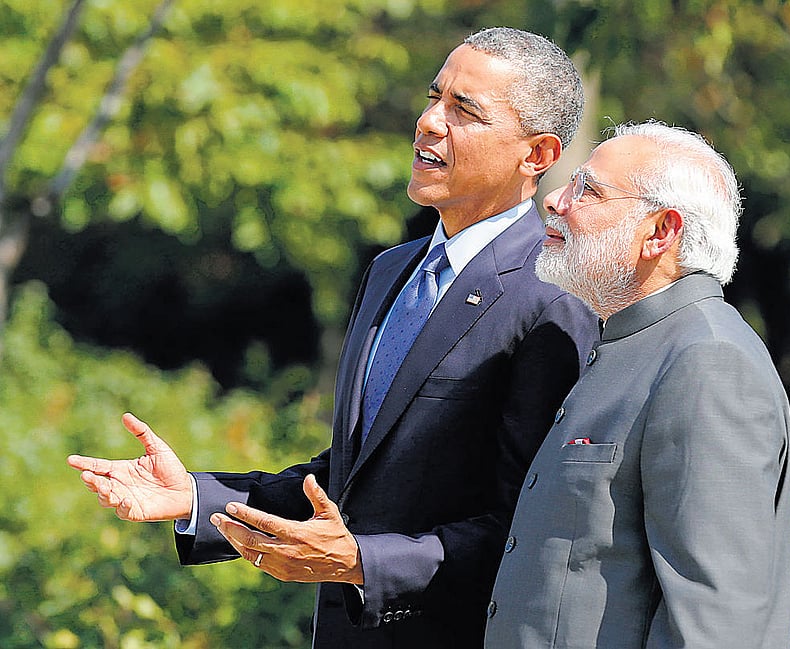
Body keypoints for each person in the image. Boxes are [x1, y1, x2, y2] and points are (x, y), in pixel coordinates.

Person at [67, 27, 597, 649]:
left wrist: (362, 564)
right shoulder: (391, 272)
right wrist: (196, 498)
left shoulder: (553, 298)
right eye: (433, 99)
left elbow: (532, 529)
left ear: (536, 155)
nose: (428, 122)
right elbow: (353, 480)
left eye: (464, 111)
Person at [483, 120, 790, 649]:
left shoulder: (707, 361)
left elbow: (716, 625)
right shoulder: (631, 343)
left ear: (660, 232)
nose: (556, 200)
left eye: (589, 190)